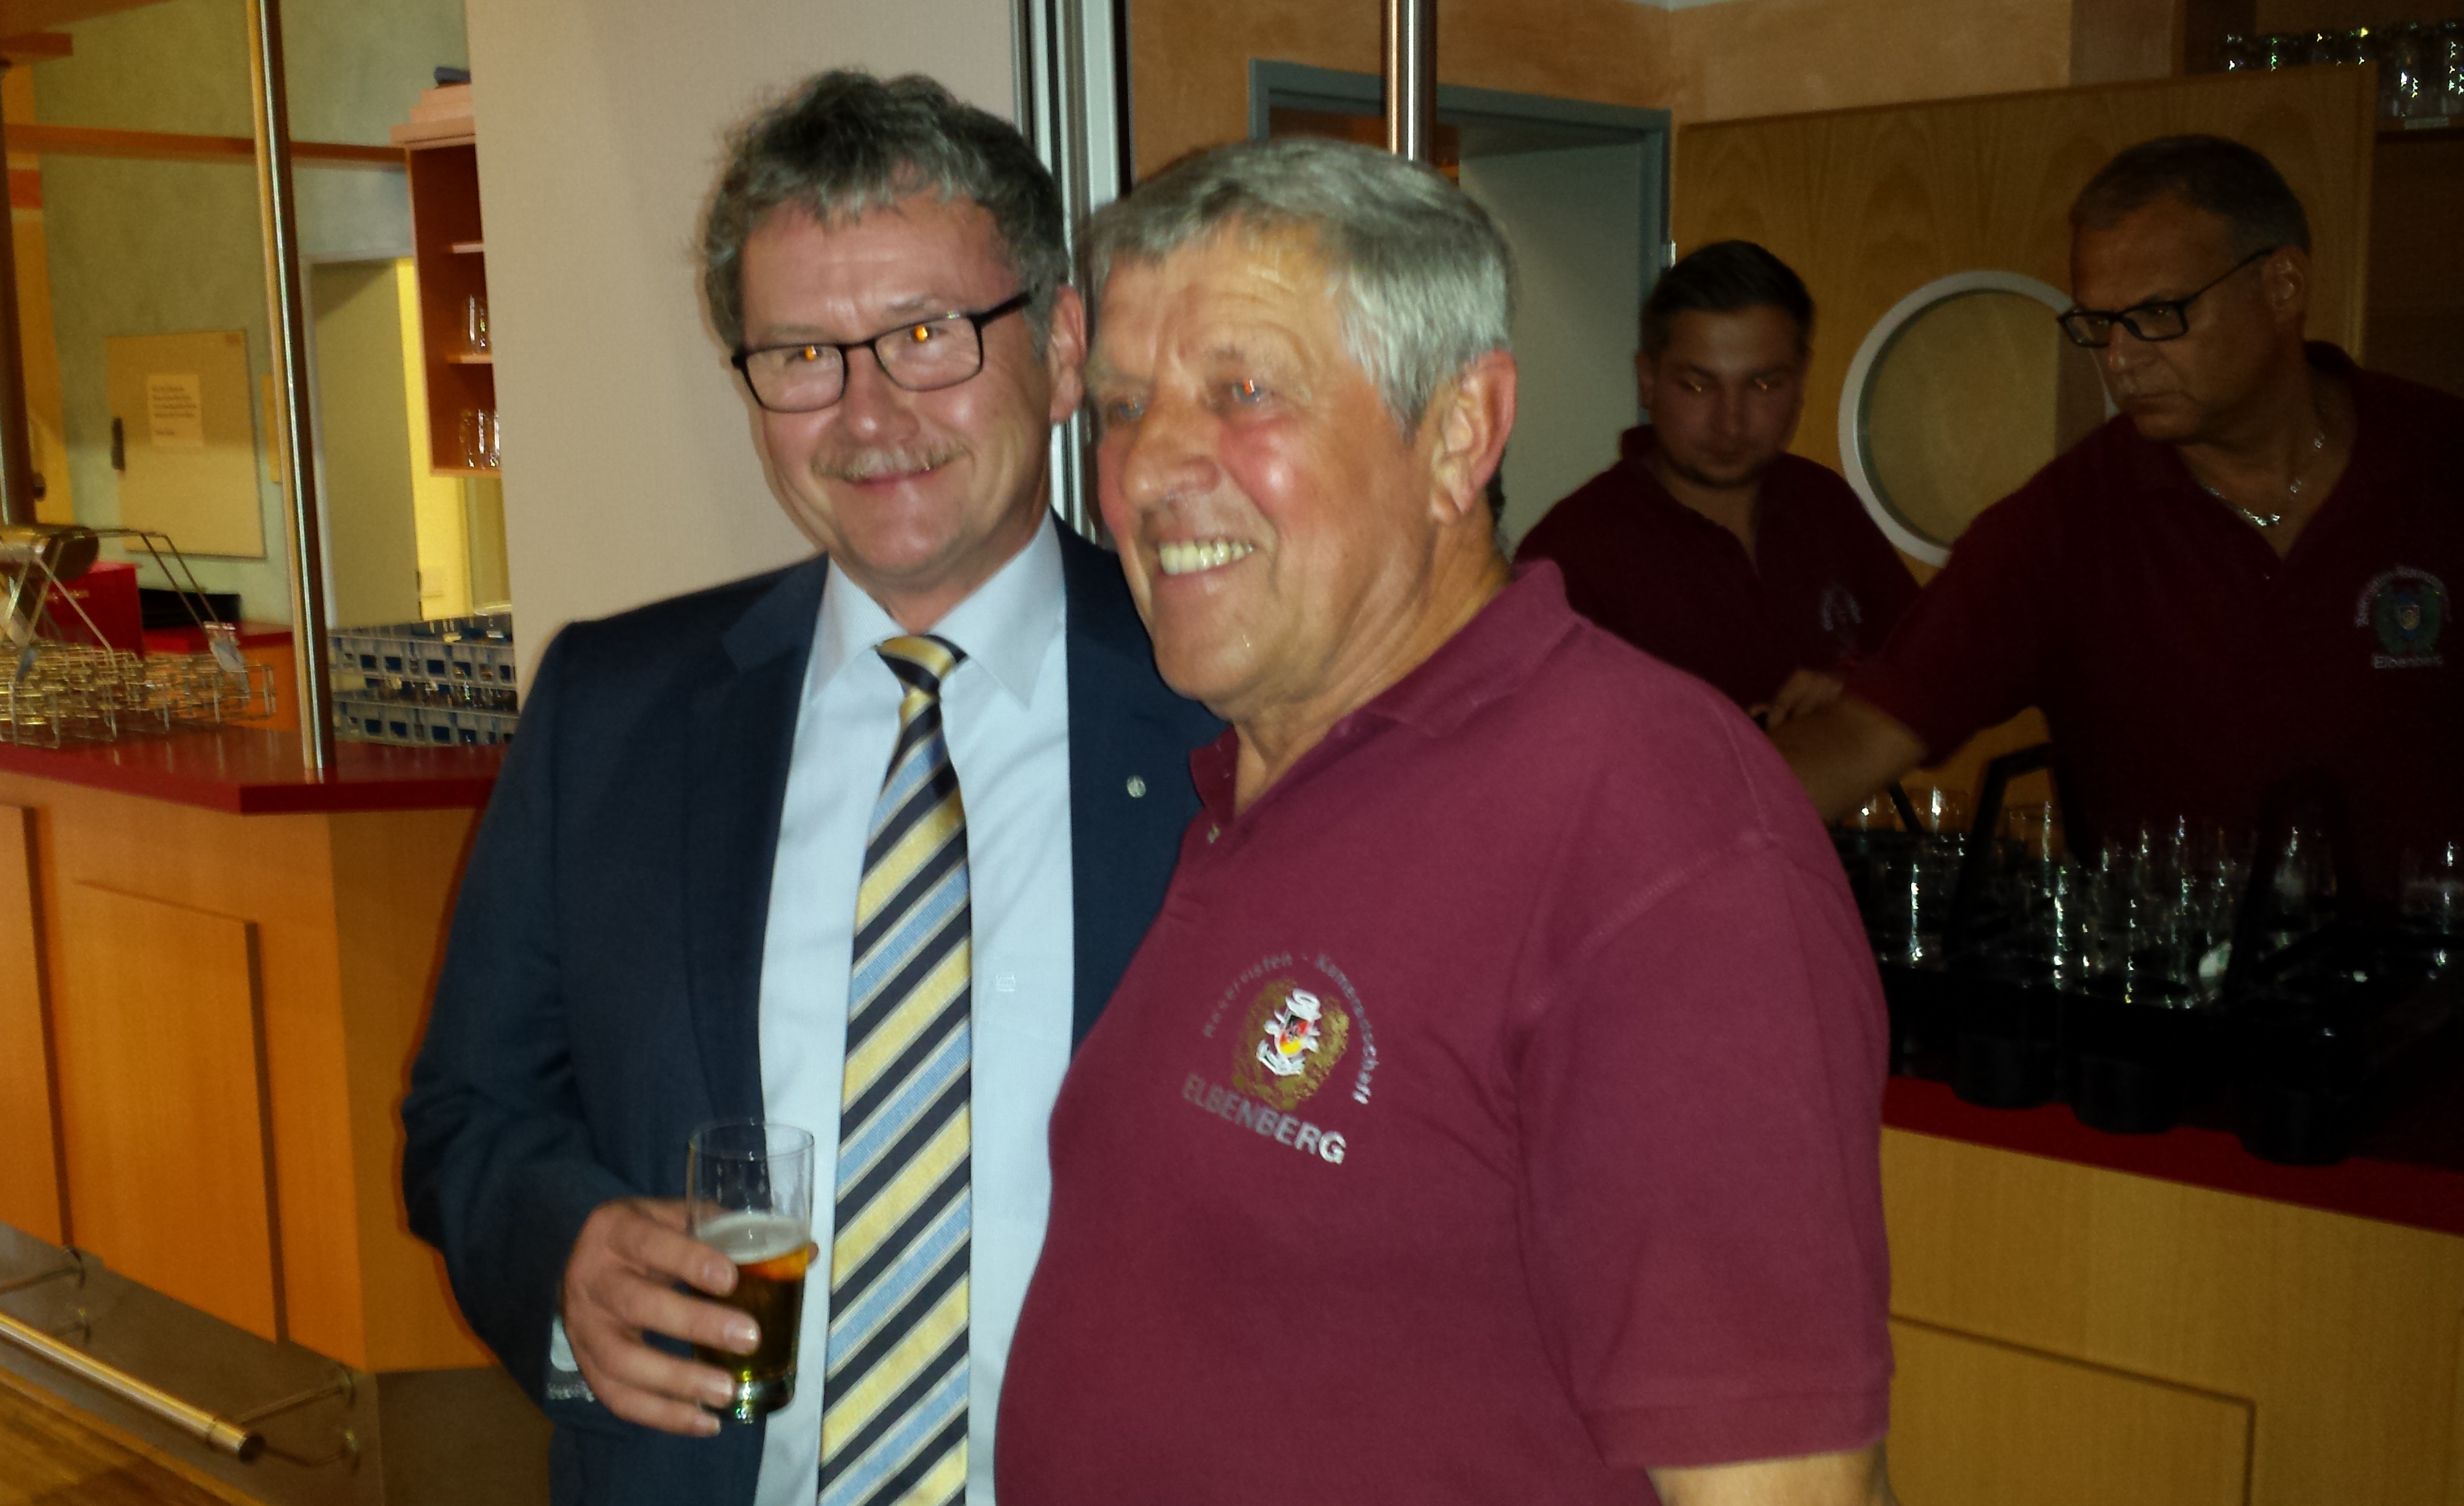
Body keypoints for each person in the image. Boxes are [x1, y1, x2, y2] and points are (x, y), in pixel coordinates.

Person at [995, 136, 1896, 1505]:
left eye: (1244, 391)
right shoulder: (1249, 776)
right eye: (1121, 407)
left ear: (1460, 431)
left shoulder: (1654, 833)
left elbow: (1783, 1492)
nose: (1147, 470)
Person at [401, 72, 1220, 1506]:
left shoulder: (1226, 710)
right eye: (800, 355)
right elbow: (468, 1113)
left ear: (1061, 348)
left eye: (927, 334)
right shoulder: (611, 712)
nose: (867, 413)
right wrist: (564, 1258)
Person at [1772, 135, 2463, 900]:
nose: (2122, 360)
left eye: (2159, 314)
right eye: (2100, 324)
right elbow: (1867, 734)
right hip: (2182, 965)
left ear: (2283, 285)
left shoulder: (2439, 459)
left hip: (2432, 962)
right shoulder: (2065, 522)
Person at [1514, 241, 1918, 725]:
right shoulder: (1571, 555)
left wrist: (1856, 688)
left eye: (1763, 385)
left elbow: (1928, 671)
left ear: (1801, 381)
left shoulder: (1824, 504)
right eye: (1698, 385)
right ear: (1648, 380)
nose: (1730, 423)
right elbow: (1534, 746)